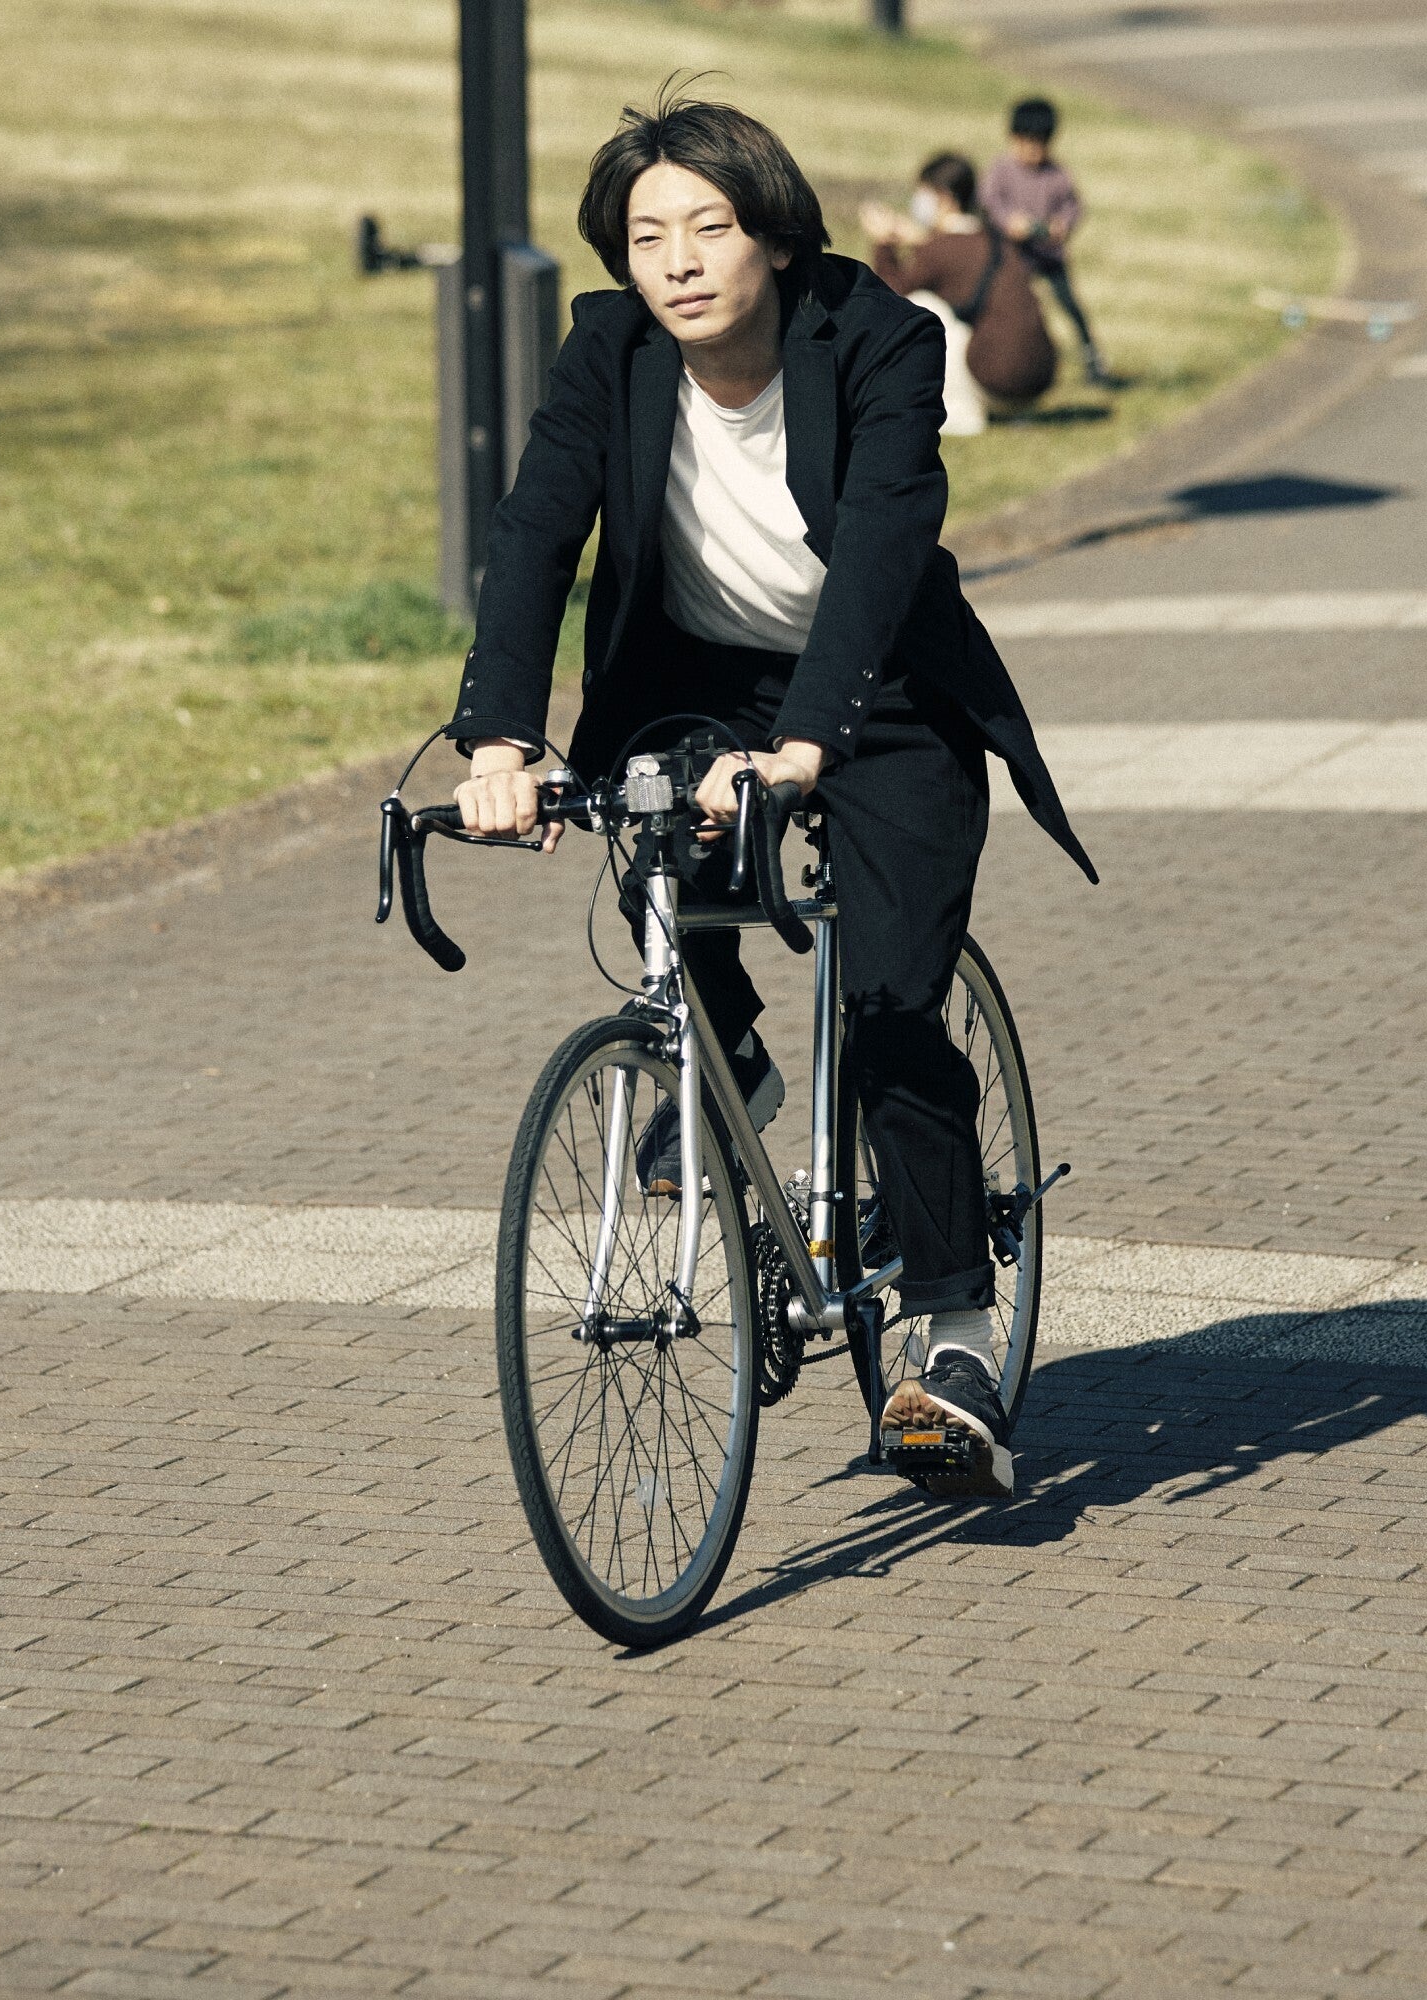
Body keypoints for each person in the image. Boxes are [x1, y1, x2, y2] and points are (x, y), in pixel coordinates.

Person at [447, 85, 1097, 1498]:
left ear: (778, 238)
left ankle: (953, 1336)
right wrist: (497, 738)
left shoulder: (875, 338)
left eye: (709, 228)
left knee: (891, 1002)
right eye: (646, 236)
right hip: (697, 681)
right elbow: (538, 528)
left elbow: (881, 548)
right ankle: (724, 1054)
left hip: (880, 693)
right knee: (654, 844)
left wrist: (808, 748)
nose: (676, 262)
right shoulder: (608, 349)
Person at [862, 152, 1057, 436]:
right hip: (1038, 380)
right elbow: (954, 255)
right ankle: (1011, 411)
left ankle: (958, 409)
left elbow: (888, 296)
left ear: (944, 198)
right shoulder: (995, 240)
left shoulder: (941, 249)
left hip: (996, 380)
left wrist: (883, 243)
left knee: (922, 306)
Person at [980, 96, 1124, 389]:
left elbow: (1073, 206)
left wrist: (1062, 226)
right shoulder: (1001, 171)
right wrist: (1009, 222)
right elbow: (988, 202)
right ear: (1013, 139)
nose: (1034, 151)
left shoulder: (1057, 174)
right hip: (1011, 256)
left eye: (1041, 144)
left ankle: (1092, 361)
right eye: (1027, 143)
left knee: (1071, 307)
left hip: (1048, 255)